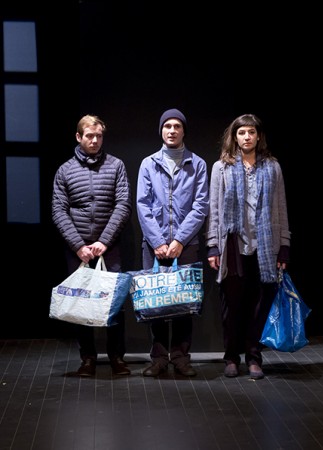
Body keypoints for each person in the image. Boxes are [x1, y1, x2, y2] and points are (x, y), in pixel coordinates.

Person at [205, 113, 291, 380]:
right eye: (242, 132)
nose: (247, 137)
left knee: (258, 305)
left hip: (264, 245)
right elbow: (214, 209)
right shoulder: (221, 167)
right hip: (233, 244)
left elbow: (280, 207)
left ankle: (254, 357)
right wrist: (212, 246)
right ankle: (231, 357)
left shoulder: (272, 167)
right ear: (234, 136)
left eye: (251, 132)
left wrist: (284, 245)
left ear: (258, 136)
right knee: (232, 306)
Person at [52, 114, 132, 377]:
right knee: (81, 303)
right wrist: (78, 245)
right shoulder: (65, 170)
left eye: (99, 136)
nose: (95, 140)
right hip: (78, 249)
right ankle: (87, 359)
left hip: (109, 246)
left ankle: (117, 358)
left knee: (114, 302)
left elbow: (123, 205)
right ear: (79, 137)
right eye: (90, 136)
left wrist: (104, 241)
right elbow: (59, 211)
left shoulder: (116, 165)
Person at [136, 108, 209, 377]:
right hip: (153, 245)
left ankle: (180, 357)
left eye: (177, 126)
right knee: (154, 303)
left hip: (186, 245)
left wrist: (179, 239)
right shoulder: (148, 163)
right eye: (167, 126)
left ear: (183, 131)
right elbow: (143, 205)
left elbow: (200, 206)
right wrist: (157, 241)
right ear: (161, 130)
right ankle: (158, 358)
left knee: (183, 303)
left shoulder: (197, 164)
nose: (172, 130)